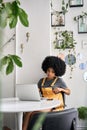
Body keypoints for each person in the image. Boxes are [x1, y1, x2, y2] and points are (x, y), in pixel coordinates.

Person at [22, 56, 70, 130]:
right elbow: (36, 92)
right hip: (44, 105)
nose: (49, 73)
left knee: (31, 112)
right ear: (45, 69)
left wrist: (61, 89)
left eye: (52, 72)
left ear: (56, 72)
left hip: (54, 107)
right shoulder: (41, 81)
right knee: (29, 113)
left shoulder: (59, 81)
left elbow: (69, 92)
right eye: (48, 70)